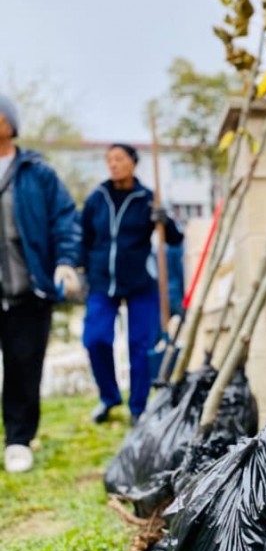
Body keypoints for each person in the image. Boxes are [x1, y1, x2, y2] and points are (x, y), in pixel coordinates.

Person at [0, 95, 82, 474]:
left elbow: (65, 219)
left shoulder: (37, 173)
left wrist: (65, 263)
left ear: (11, 123)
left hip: (27, 291)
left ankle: (18, 440)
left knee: (23, 367)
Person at [81, 143, 183, 426]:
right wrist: (79, 269)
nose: (113, 164)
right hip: (102, 281)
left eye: (119, 159)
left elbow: (174, 239)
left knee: (140, 346)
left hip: (140, 282)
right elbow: (83, 236)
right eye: (109, 160)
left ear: (133, 163)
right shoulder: (97, 198)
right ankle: (109, 397)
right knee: (95, 339)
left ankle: (138, 407)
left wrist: (165, 220)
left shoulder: (148, 199)